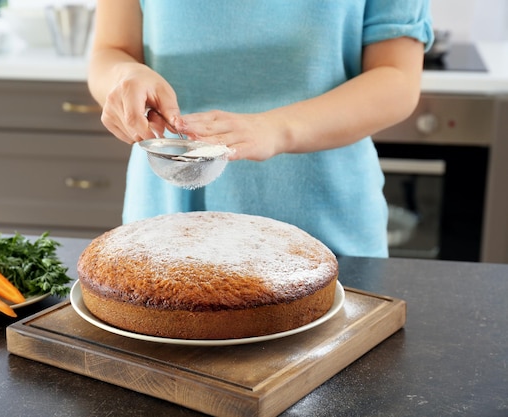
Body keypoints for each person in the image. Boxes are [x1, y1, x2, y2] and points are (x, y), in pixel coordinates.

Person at [87, 1, 433, 257]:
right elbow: (111, 50)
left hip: (328, 225)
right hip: (164, 221)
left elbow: (397, 77)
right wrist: (123, 76)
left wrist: (276, 128)